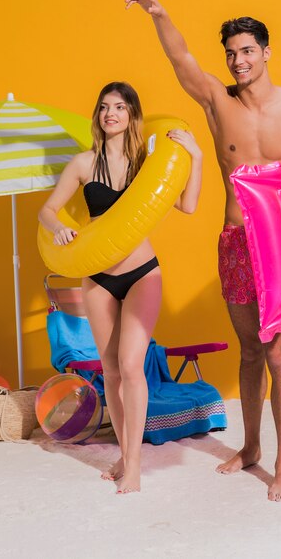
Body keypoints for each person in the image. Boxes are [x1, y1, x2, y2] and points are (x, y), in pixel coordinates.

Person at [126, 0, 281, 502]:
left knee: (279, 357)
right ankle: (250, 446)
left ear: (266, 52)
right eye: (231, 53)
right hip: (235, 241)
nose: (238, 60)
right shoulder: (216, 101)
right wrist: (160, 13)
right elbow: (181, 61)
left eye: (247, 50)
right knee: (250, 353)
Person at [39, 81, 202, 494]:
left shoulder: (145, 161)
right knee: (110, 368)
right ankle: (124, 453)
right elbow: (48, 210)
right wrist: (59, 229)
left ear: (132, 115)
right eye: (104, 107)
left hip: (141, 272)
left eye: (119, 107)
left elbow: (187, 205)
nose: (110, 113)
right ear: (98, 115)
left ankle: (134, 467)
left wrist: (195, 156)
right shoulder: (83, 163)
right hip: (97, 276)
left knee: (131, 365)